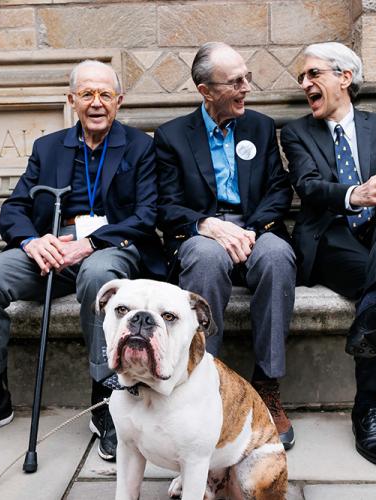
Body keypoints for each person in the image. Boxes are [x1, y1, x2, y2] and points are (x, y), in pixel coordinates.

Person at [0, 60, 165, 462]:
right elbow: (13, 209)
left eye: (105, 94)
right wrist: (32, 242)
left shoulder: (141, 147)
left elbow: (146, 216)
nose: (96, 103)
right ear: (71, 100)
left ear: (119, 101)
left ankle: (105, 396)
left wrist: (87, 244)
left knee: (99, 274)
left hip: (110, 246)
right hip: (52, 247)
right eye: (86, 94)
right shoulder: (48, 147)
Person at [280, 42, 376, 467]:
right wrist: (356, 193)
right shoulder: (296, 132)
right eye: (302, 78)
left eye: (313, 74)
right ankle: (368, 410)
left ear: (344, 78)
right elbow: (309, 187)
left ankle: (369, 317)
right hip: (331, 241)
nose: (304, 84)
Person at [154, 42, 297, 449]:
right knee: (205, 256)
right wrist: (207, 224)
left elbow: (277, 190)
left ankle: (267, 384)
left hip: (254, 229)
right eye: (235, 82)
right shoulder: (171, 137)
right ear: (205, 91)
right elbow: (165, 205)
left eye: (246, 78)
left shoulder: (261, 127)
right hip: (201, 233)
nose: (246, 88)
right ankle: (205, 381)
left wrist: (250, 229)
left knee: (277, 256)